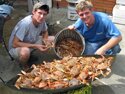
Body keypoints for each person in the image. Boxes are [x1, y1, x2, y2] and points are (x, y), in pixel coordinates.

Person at [8, 2, 54, 68]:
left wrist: (45, 41)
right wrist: (35, 46)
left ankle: (30, 55)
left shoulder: (42, 20)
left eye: (44, 14)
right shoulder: (25, 24)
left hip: (31, 41)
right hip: (15, 48)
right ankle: (24, 66)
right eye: (39, 13)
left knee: (52, 39)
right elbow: (14, 43)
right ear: (33, 12)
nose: (42, 16)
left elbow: (45, 31)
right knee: (25, 52)